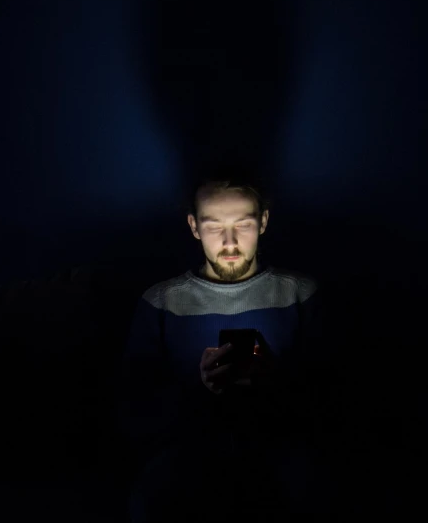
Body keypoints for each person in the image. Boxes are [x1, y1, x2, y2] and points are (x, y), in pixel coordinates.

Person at [116, 168, 334, 521]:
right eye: (215, 226)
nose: (230, 242)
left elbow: (334, 394)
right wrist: (197, 388)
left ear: (263, 221)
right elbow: (133, 404)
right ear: (193, 226)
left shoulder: (300, 294)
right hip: (188, 449)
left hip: (278, 444)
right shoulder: (162, 301)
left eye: (243, 225)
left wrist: (276, 381)